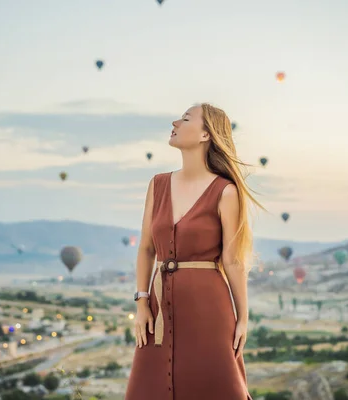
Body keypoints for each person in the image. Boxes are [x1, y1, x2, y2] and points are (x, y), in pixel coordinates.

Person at [125, 103, 265, 400]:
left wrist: (243, 317)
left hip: (209, 309)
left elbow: (232, 260)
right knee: (146, 386)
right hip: (158, 307)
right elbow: (147, 248)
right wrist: (141, 302)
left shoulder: (225, 191)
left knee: (216, 384)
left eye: (186, 118)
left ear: (205, 134)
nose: (175, 121)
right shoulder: (158, 184)